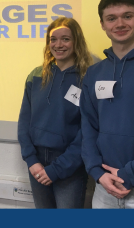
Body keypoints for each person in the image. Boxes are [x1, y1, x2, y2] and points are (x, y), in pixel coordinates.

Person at [18, 17, 93, 208]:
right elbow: (24, 121)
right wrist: (31, 160)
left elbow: (88, 130)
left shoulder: (88, 78)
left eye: (66, 39)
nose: (58, 45)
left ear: (76, 41)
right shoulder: (36, 75)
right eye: (53, 39)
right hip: (37, 163)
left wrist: (58, 168)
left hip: (70, 165)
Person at [81, 0, 134, 208]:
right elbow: (88, 126)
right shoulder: (94, 73)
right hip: (104, 188)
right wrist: (97, 172)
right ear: (103, 24)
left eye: (127, 16)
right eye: (111, 18)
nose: (120, 23)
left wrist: (130, 173)